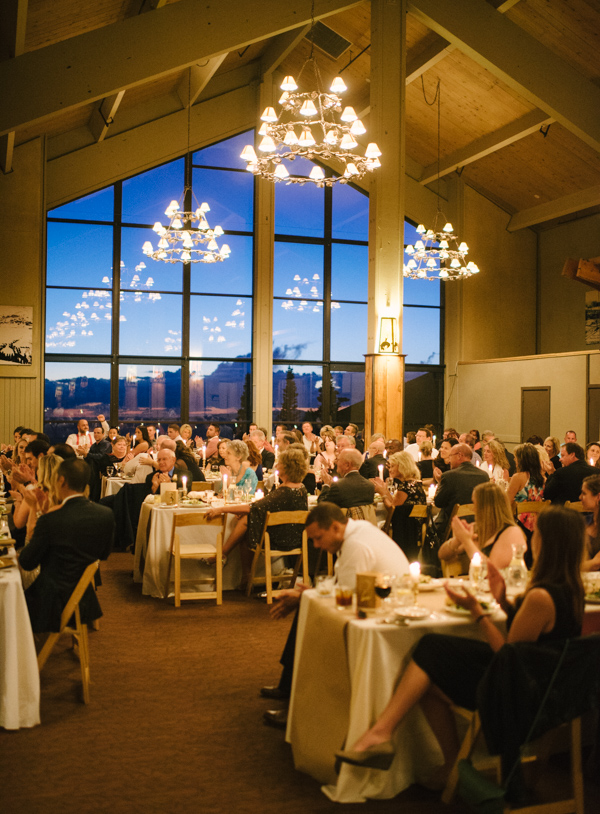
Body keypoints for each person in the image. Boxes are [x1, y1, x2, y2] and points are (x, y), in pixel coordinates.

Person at [335, 506, 584, 778]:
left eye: (538, 533)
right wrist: (500, 600)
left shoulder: (541, 597)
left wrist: (477, 613)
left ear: (548, 543)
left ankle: (385, 736)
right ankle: (443, 763)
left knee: (429, 654)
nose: (532, 537)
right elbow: (532, 642)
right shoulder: (571, 588)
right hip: (545, 681)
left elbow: (507, 655)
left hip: (521, 692)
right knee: (428, 661)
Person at [262, 502, 410, 727]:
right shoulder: (357, 529)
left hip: (382, 611)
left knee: (313, 628)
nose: (316, 545)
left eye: (318, 538)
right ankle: (289, 686)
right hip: (375, 601)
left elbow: (347, 592)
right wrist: (310, 594)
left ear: (334, 528)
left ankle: (299, 707)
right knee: (307, 605)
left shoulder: (356, 544)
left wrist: (308, 596)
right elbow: (344, 582)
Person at [18, 458, 115, 633]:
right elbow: (104, 554)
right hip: (83, 596)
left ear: (61, 480)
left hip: (50, 600)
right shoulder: (106, 514)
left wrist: (35, 509)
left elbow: (26, 562)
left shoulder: (51, 520)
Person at [206, 448, 309, 587]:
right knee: (248, 523)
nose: (277, 466)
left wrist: (222, 509)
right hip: (296, 537)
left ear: (287, 467)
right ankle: (243, 573)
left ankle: (226, 557)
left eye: (280, 464)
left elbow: (253, 507)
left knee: (247, 521)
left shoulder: (284, 491)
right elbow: (262, 506)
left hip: (280, 539)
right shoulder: (301, 488)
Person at [439, 481, 525, 572]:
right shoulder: (478, 528)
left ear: (487, 508)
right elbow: (442, 555)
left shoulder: (512, 532)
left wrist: (466, 541)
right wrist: (457, 540)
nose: (473, 509)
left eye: (475, 504)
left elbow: (492, 571)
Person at [371, 451, 426, 561]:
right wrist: (385, 490)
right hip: (415, 529)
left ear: (402, 466)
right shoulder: (415, 484)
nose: (389, 469)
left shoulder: (405, 487)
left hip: (406, 532)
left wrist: (382, 493)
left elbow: (392, 509)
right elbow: (396, 504)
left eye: (392, 466)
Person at [433, 443, 489, 536]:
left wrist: (440, 483)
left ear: (459, 456)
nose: (449, 460)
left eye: (450, 456)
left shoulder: (449, 476)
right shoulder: (484, 476)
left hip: (453, 527)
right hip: (478, 525)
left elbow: (438, 502)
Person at [507, 443, 546, 546]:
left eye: (516, 458)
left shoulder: (518, 477)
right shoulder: (543, 478)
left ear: (522, 460)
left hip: (520, 523)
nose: (514, 460)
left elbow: (506, 501)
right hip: (538, 524)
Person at [580, 474, 600, 571]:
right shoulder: (583, 522)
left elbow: (597, 563)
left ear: (598, 497)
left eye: (584, 493)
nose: (580, 497)